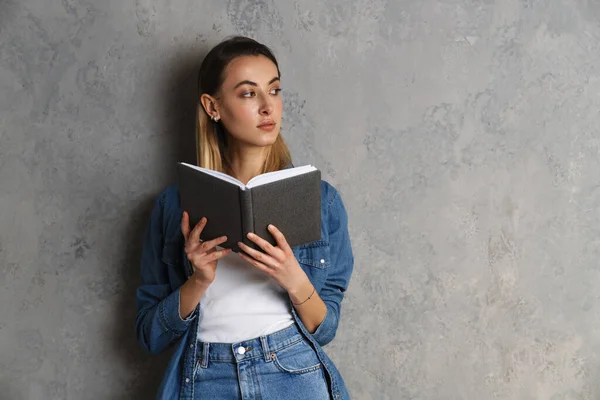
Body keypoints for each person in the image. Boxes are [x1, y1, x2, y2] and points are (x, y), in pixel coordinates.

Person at [134, 35, 354, 400]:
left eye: (275, 89)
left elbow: (324, 328)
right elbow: (149, 336)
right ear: (213, 106)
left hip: (291, 370)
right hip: (204, 377)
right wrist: (198, 281)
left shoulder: (321, 200)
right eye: (249, 93)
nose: (269, 107)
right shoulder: (172, 206)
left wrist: (293, 277)